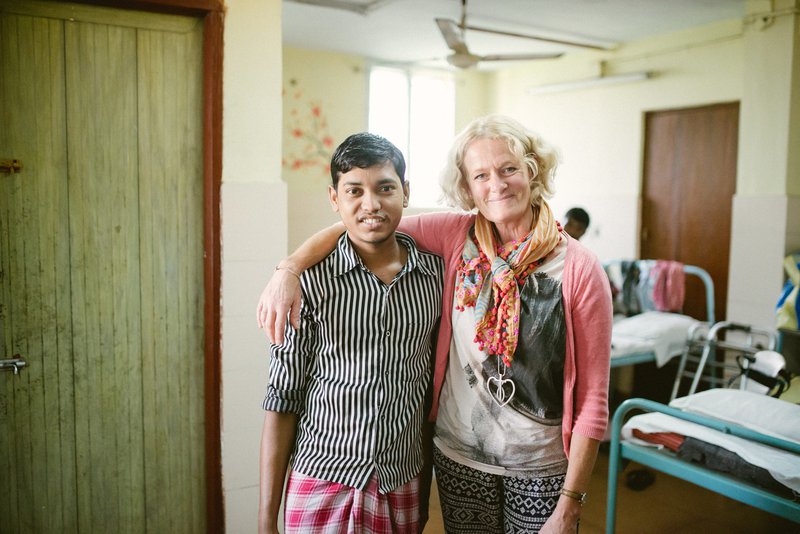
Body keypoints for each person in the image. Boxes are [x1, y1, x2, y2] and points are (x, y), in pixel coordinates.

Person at [257, 115, 612, 533]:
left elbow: (593, 399)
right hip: (457, 459)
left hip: (537, 465)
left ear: (533, 170)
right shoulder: (454, 236)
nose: (496, 184)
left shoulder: (578, 268)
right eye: (481, 174)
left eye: (509, 168)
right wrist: (290, 268)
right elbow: (364, 223)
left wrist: (570, 505)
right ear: (467, 186)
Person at [258, 132, 444, 534]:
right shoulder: (308, 284)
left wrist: (425, 488)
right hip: (321, 482)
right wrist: (265, 520)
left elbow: (429, 393)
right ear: (334, 198)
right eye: (354, 191)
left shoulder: (436, 277)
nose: (371, 204)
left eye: (385, 188)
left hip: (402, 483)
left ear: (406, 192)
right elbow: (282, 400)